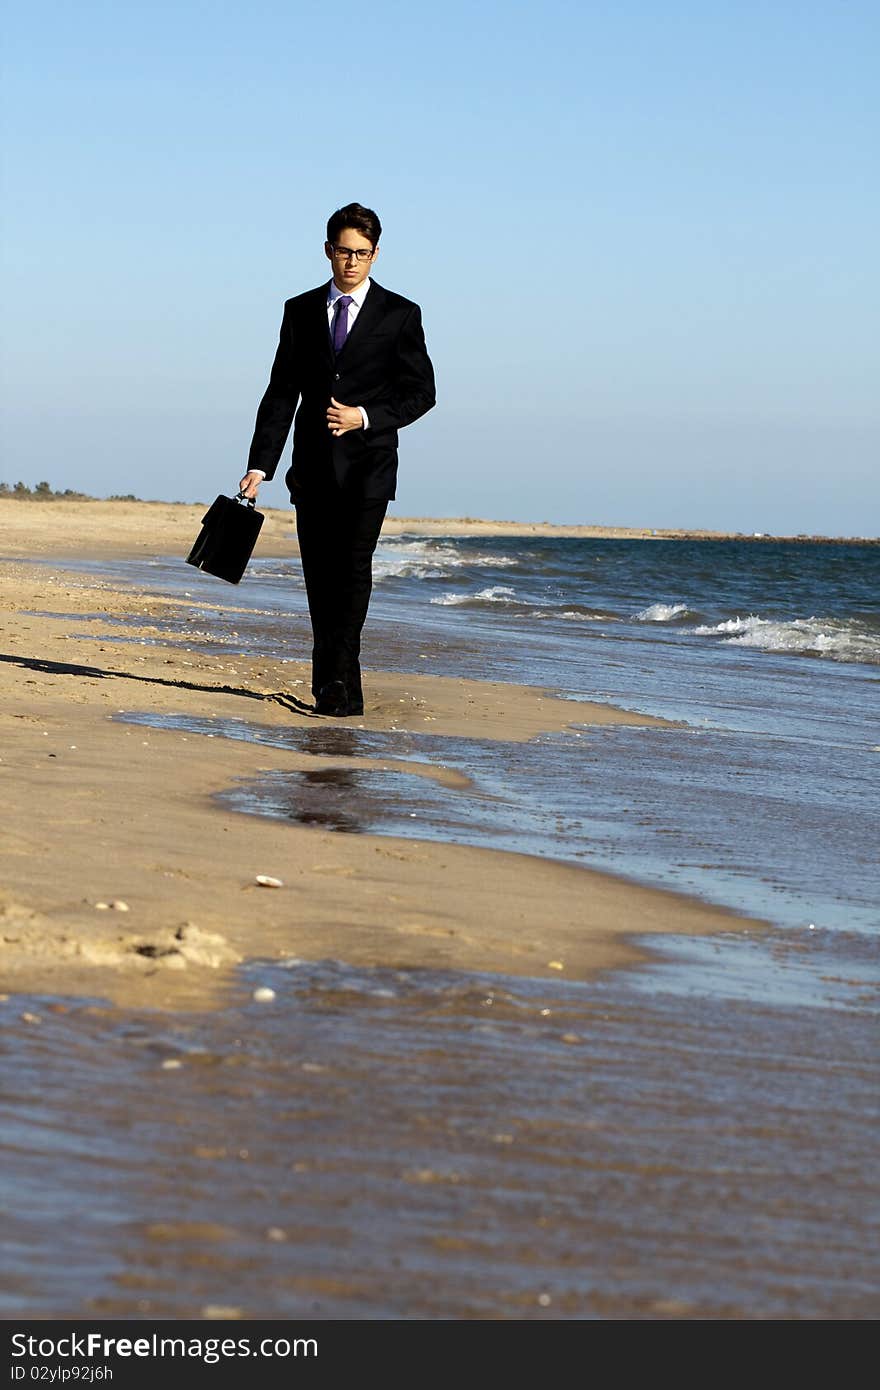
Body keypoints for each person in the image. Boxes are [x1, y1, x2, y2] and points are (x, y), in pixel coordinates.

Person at [238, 202, 436, 716]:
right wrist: (260, 465)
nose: (353, 262)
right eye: (344, 251)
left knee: (352, 572)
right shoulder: (299, 311)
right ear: (328, 251)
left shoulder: (400, 315)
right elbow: (281, 392)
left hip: (369, 468)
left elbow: (421, 393)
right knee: (320, 576)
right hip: (312, 471)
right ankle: (333, 681)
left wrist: (365, 416)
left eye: (363, 254)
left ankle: (340, 686)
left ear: (376, 256)